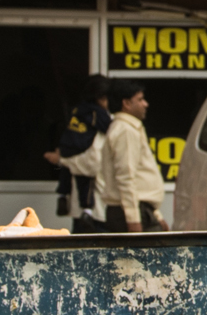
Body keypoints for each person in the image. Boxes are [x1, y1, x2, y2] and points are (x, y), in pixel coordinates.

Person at [96, 80, 166, 232]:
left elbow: (139, 178)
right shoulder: (125, 130)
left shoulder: (128, 128)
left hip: (139, 210)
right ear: (126, 103)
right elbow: (126, 176)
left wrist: (157, 215)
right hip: (129, 212)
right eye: (140, 99)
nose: (145, 104)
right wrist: (133, 220)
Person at [43, 75, 112, 219]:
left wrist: (62, 160)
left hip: (97, 209)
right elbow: (91, 164)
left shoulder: (79, 112)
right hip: (94, 214)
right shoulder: (98, 119)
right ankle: (82, 207)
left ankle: (63, 195)